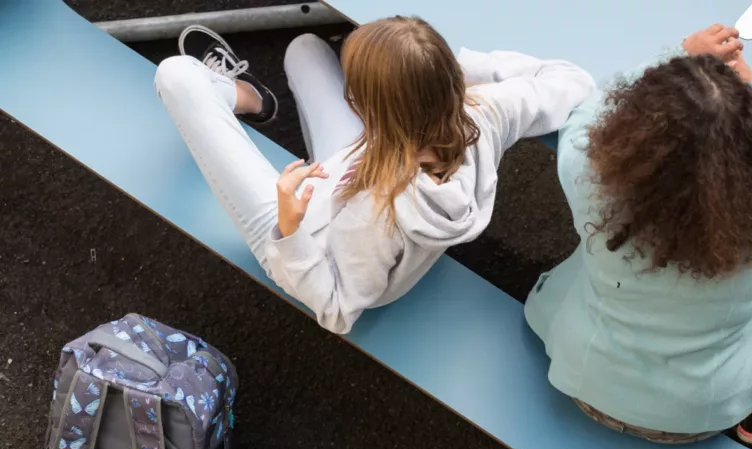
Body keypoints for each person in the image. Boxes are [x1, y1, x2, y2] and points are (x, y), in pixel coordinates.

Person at [153, 19, 595, 334]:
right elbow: (572, 80)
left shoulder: (377, 216)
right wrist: (447, 74)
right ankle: (255, 99)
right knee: (304, 47)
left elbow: (336, 309)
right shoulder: (483, 111)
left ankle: (235, 94)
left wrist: (287, 226)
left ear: (369, 109)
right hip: (351, 165)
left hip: (305, 233)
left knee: (176, 76)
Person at [524, 24, 752, 444]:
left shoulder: (591, 171)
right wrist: (750, 82)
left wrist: (679, 54)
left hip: (582, 376)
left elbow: (590, 111)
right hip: (700, 415)